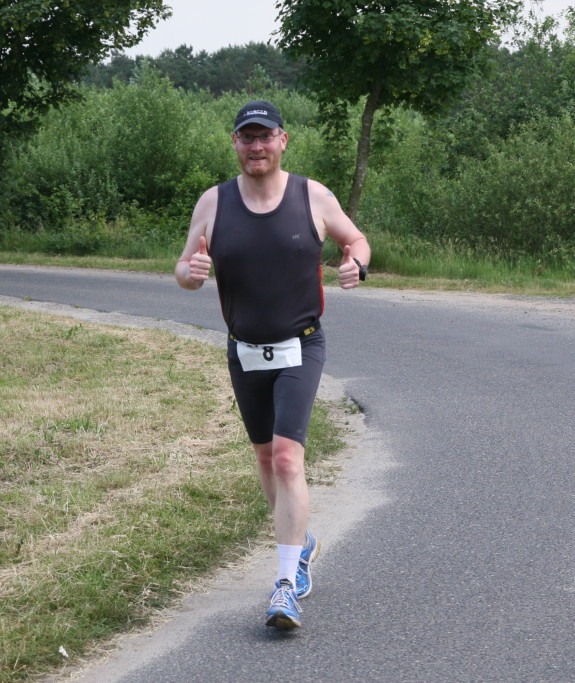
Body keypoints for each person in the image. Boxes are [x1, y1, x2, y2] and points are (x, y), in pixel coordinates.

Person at [175, 100, 370, 629]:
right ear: (235, 144)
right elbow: (185, 268)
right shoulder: (213, 202)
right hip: (244, 348)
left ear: (283, 140)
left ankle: (286, 582)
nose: (256, 146)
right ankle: (299, 540)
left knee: (286, 458)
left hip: (300, 345)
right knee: (264, 458)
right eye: (247, 137)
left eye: (265, 137)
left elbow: (355, 239)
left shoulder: (313, 195)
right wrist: (190, 272)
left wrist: (357, 263)